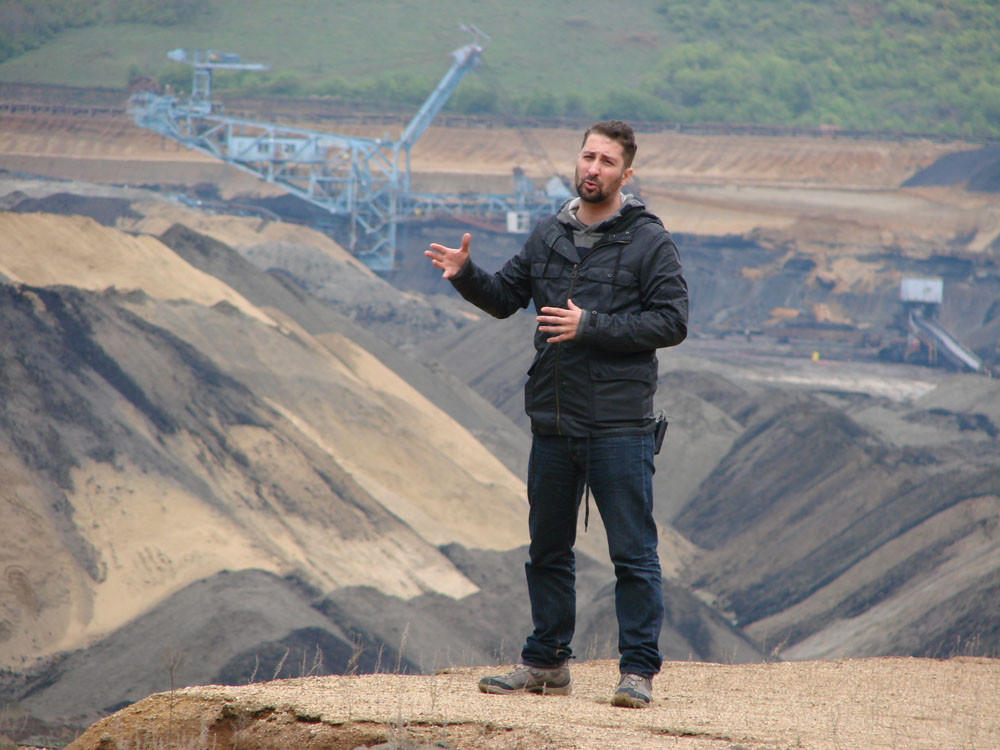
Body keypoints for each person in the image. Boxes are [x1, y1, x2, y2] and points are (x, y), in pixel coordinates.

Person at [425, 120, 688, 708]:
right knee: (546, 550)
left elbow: (672, 321)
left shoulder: (650, 241)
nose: (593, 168)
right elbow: (505, 299)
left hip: (619, 425)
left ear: (626, 173)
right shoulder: (549, 234)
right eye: (587, 156)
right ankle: (546, 663)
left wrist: (588, 326)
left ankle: (637, 672)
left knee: (633, 554)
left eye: (607, 161)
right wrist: (465, 276)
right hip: (554, 421)